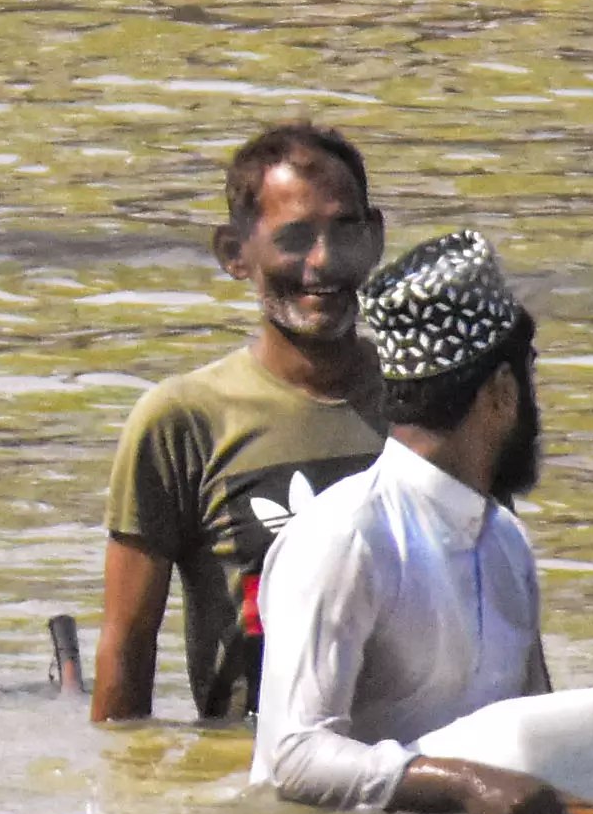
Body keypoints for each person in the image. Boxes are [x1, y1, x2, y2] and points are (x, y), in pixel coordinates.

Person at [250, 229, 567, 814]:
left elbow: (532, 732)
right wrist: (462, 785)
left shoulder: (507, 544)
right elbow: (294, 757)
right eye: (530, 378)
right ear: (501, 393)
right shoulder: (344, 536)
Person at [91, 122, 393, 726]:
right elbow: (126, 655)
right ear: (234, 253)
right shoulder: (183, 422)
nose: (324, 262)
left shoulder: (427, 400)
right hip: (253, 776)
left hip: (415, 771)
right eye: (294, 238)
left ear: (377, 237)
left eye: (345, 230)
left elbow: (496, 606)